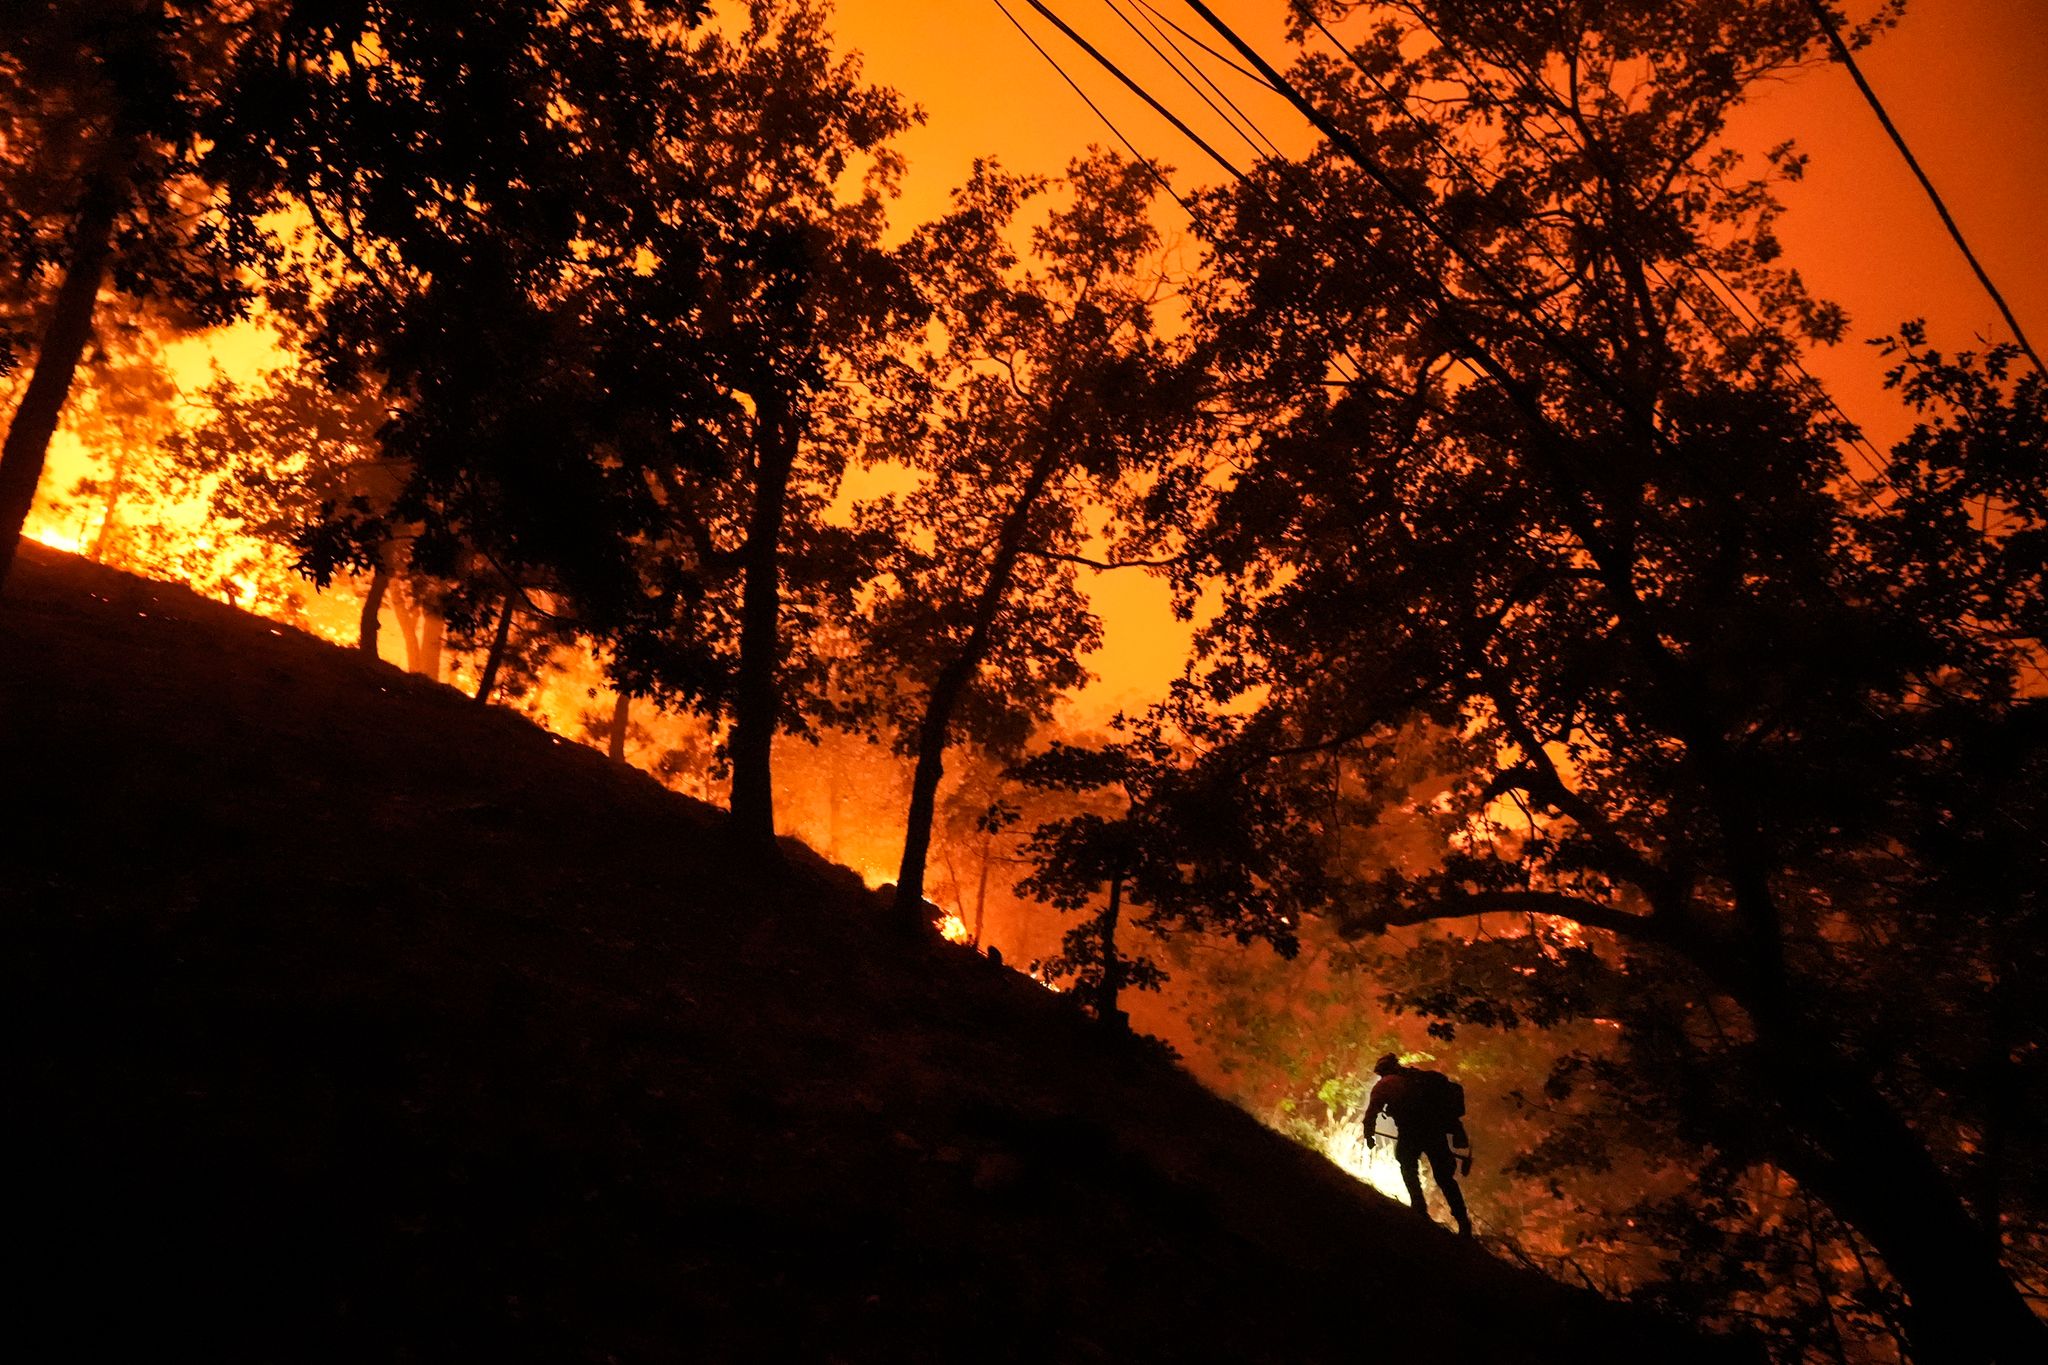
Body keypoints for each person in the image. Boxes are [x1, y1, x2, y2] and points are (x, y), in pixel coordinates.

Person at [1361, 1052, 1473, 1236]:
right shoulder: (1418, 1079)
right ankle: (1463, 1222)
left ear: (1382, 1071)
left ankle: (1419, 1209)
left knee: (1407, 1166)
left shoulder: (1385, 1084)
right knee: (1445, 1178)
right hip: (1435, 1132)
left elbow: (1372, 1113)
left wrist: (1369, 1135)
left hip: (1410, 1133)